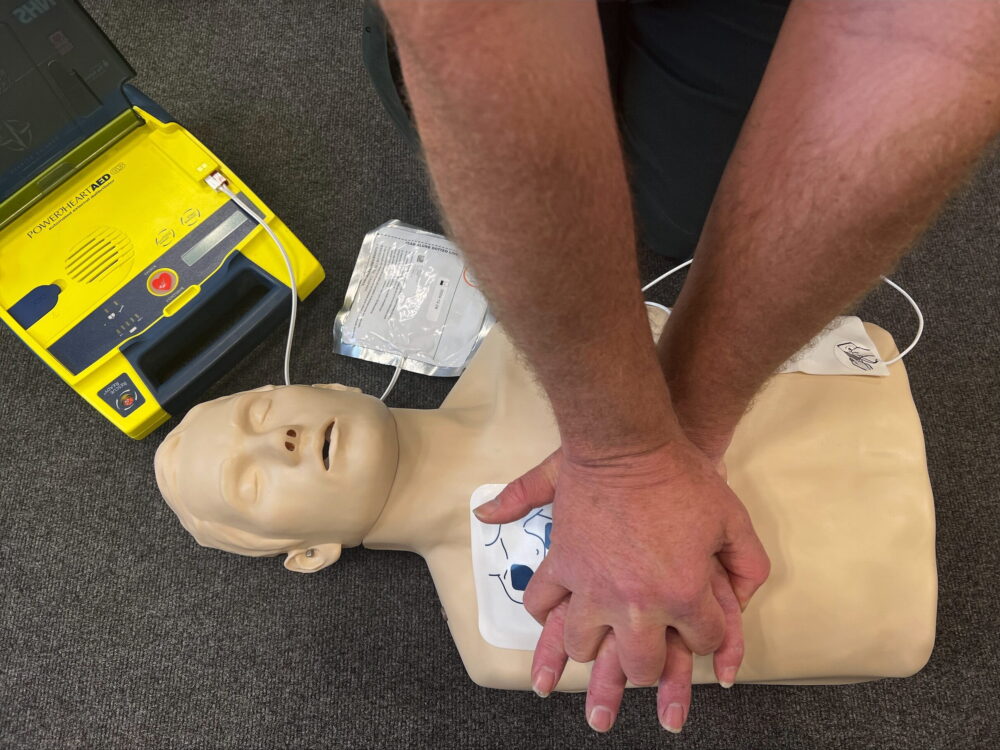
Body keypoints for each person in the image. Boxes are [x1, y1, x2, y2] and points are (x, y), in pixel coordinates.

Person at [367, 0, 1000, 733]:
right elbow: (470, 21)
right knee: (648, 194)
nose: (274, 432)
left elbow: (925, 38)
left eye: (262, 406)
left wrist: (641, 455)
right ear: (304, 553)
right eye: (256, 480)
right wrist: (637, 461)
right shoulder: (490, 639)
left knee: (696, 201)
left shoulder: (496, 358)